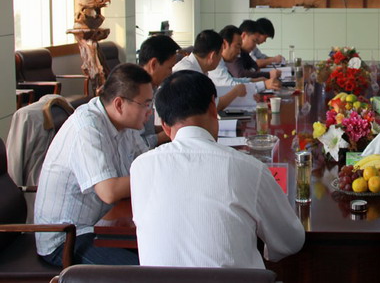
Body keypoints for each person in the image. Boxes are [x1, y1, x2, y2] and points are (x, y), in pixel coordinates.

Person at [130, 70, 305, 268]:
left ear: (164, 126)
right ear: (213, 108)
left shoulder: (139, 168)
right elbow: (291, 241)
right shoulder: (249, 168)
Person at [34, 63, 153, 266]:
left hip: (101, 225)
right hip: (67, 238)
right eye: (146, 104)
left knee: (161, 254)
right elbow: (109, 191)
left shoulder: (125, 125)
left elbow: (146, 163)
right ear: (119, 104)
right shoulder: (87, 128)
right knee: (142, 273)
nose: (150, 112)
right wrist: (156, 175)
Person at [172, 29, 246, 110]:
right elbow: (213, 105)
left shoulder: (196, 67)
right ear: (212, 56)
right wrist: (236, 91)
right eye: (220, 55)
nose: (220, 59)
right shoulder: (190, 73)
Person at [138, 34, 180, 148]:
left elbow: (147, 130)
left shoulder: (152, 88)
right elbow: (138, 144)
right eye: (169, 67)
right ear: (154, 64)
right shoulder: (135, 93)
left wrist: (171, 127)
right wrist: (167, 134)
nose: (171, 73)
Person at [209, 25, 280, 92]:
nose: (239, 52)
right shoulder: (215, 62)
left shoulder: (220, 60)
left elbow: (233, 80)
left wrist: (253, 80)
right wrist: (264, 85)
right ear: (224, 44)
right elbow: (231, 86)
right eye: (237, 46)